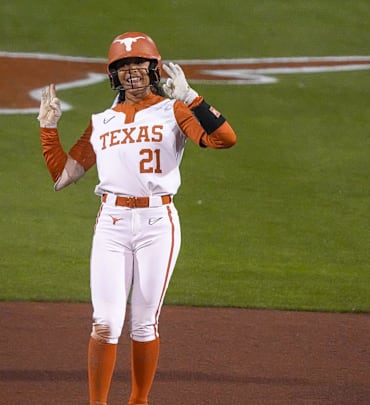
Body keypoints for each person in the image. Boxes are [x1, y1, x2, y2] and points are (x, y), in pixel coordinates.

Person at [36, 32, 237, 405]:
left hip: (157, 224)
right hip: (111, 222)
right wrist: (48, 128)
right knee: (106, 323)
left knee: (144, 323)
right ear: (114, 75)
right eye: (123, 66)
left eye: (139, 64)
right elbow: (63, 176)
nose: (132, 72)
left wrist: (192, 98)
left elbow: (224, 138)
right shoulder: (101, 121)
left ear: (153, 69)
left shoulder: (173, 111)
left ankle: (138, 401)